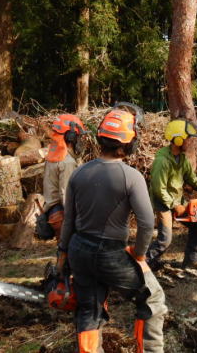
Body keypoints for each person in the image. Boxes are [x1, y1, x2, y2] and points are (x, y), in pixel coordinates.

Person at [57, 105, 167, 353]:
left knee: (89, 308)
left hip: (78, 250)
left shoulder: (79, 173)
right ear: (129, 142)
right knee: (153, 299)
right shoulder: (131, 176)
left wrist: (62, 256)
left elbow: (68, 221)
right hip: (111, 254)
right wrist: (139, 255)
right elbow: (147, 223)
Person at [145, 119, 197, 270]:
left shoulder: (181, 158)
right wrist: (175, 206)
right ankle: (144, 264)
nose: (190, 142)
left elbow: (191, 177)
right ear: (178, 139)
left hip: (177, 200)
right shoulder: (162, 161)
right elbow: (159, 189)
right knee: (165, 240)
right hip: (163, 204)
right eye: (188, 139)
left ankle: (191, 260)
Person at [40, 114, 87, 238]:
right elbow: (66, 195)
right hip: (61, 213)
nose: (79, 139)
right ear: (70, 137)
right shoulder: (67, 163)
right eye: (77, 136)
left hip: (52, 209)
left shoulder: (54, 153)